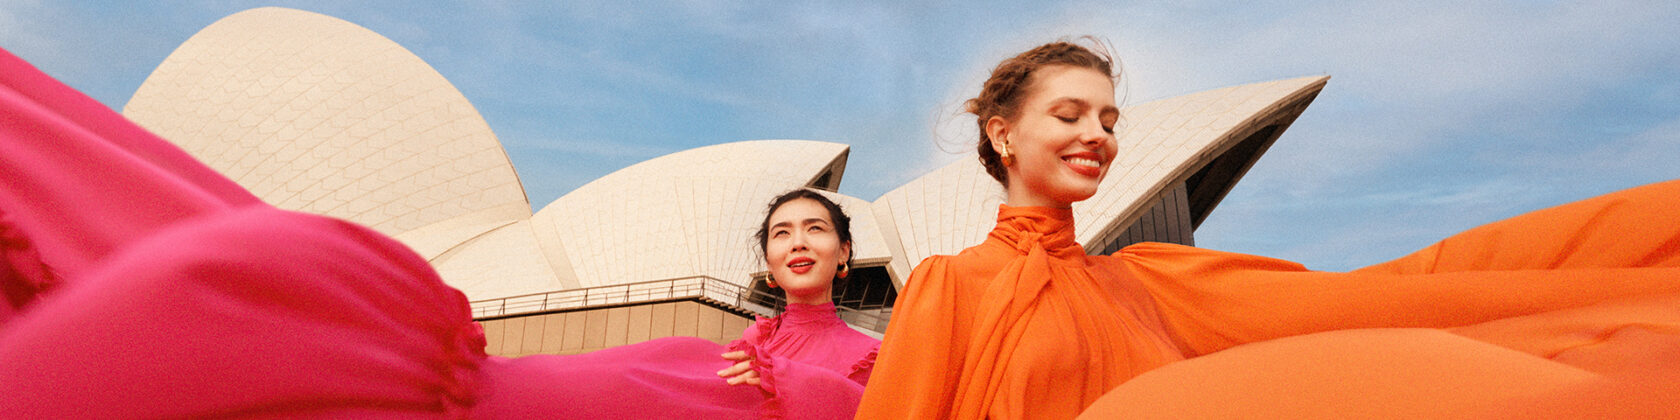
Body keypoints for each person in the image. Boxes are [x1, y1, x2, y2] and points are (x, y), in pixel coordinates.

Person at [0, 47, 879, 419]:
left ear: (845, 254)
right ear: (762, 256)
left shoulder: (880, 354)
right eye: (780, 230)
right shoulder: (719, 346)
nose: (796, 241)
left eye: (814, 229)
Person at [854, 39, 1680, 419]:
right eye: (1068, 114)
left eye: (1108, 117)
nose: (1098, 134)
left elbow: (1381, 302)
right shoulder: (947, 285)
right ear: (1002, 134)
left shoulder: (1153, 277)